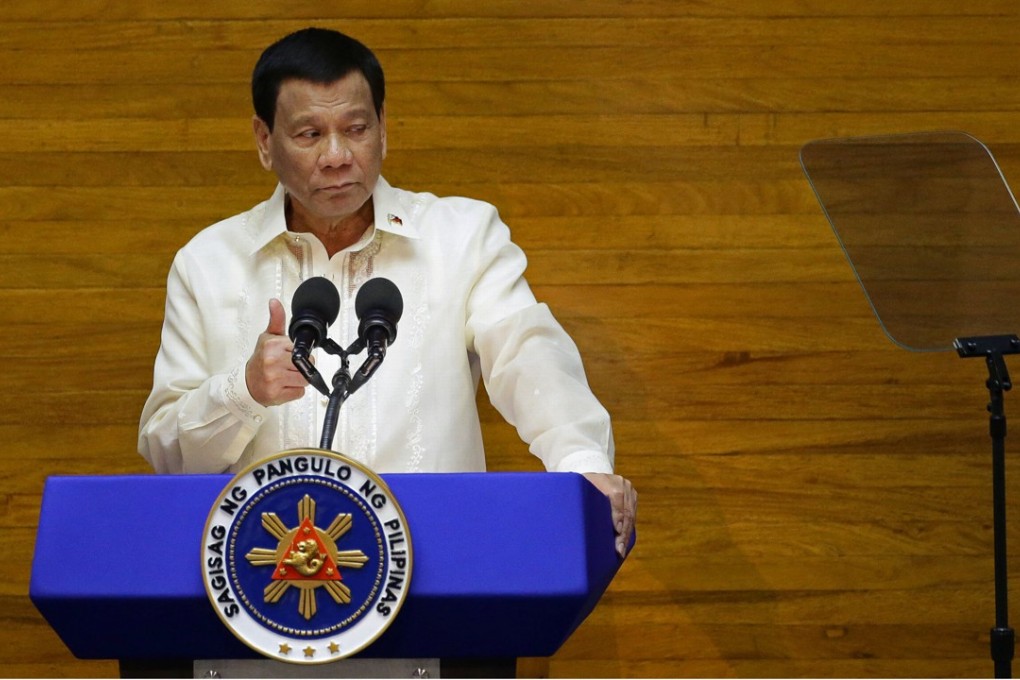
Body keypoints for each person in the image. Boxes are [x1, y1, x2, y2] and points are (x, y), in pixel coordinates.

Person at [138, 27, 636, 557]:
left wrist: (584, 468)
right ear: (265, 141)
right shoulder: (208, 262)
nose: (336, 156)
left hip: (436, 569)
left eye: (356, 128)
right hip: (268, 581)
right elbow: (166, 451)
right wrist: (243, 391)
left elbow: (527, 356)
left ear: (383, 130)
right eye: (309, 135)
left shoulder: (461, 236)